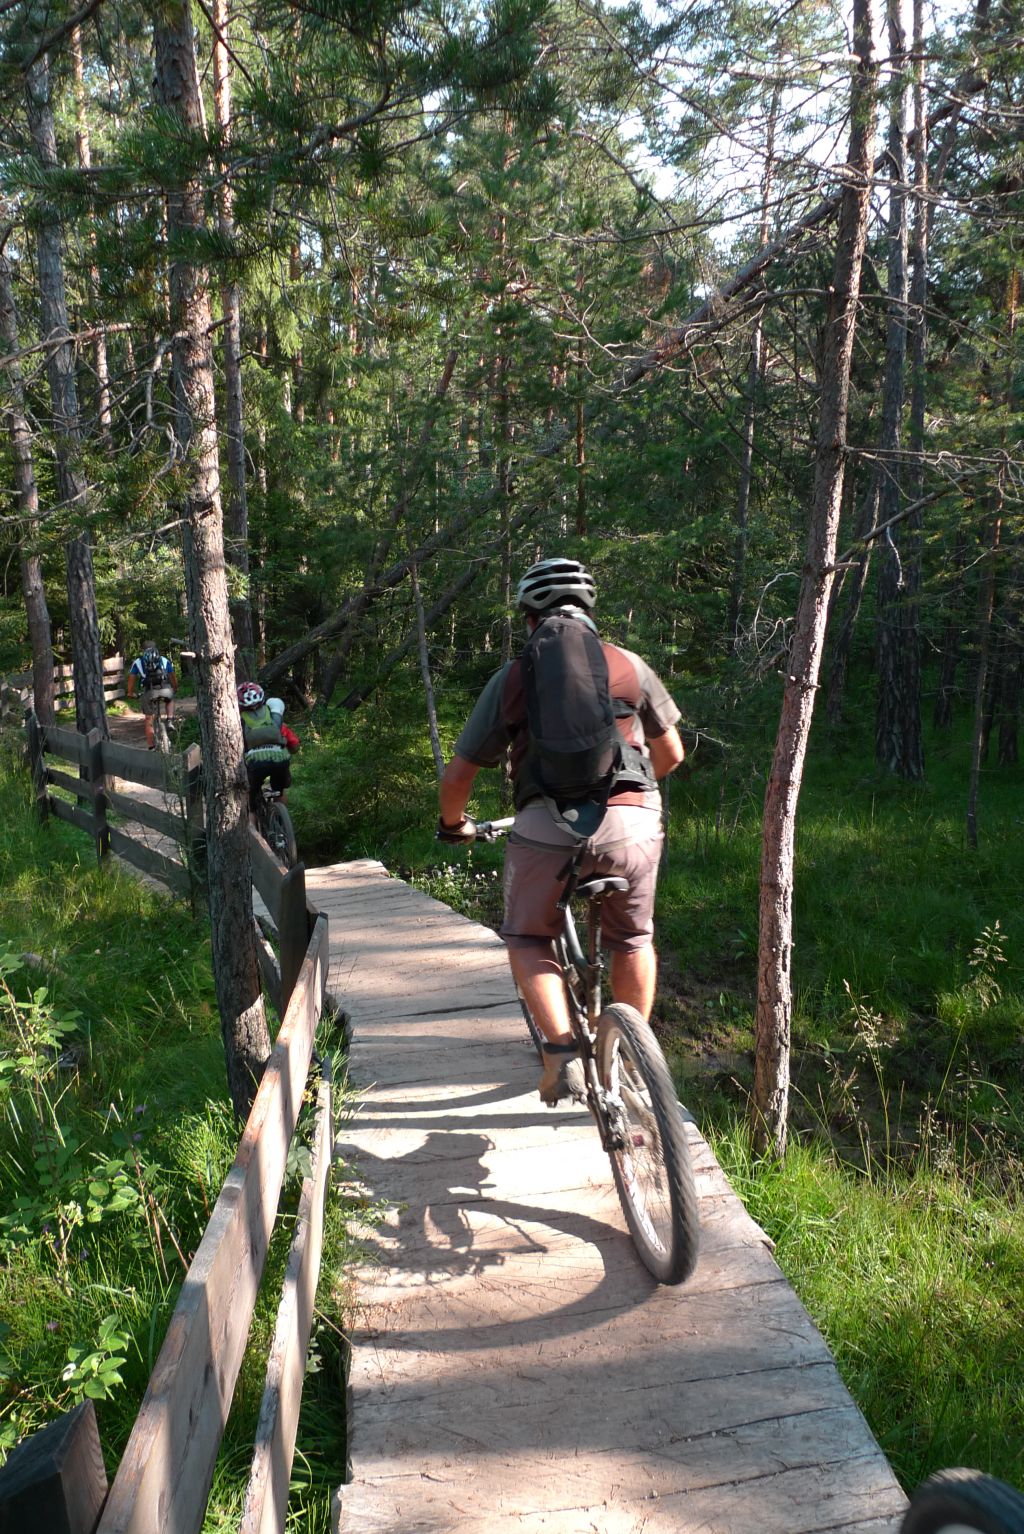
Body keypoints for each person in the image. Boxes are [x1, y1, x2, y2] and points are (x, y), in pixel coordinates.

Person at [437, 558, 684, 1106]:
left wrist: (453, 825)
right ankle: (629, 1060)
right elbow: (671, 754)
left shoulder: (513, 678)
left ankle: (562, 1054)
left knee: (528, 937)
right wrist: (628, 797)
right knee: (633, 939)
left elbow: (458, 777)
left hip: (546, 826)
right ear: (591, 612)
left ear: (529, 619)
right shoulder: (630, 665)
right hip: (632, 823)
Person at [237, 683, 299, 815]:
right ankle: (282, 821)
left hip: (256, 764)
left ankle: (252, 825)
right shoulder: (274, 719)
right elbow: (294, 745)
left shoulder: (239, 723)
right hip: (280, 760)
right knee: (279, 791)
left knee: (250, 798)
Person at [127, 641, 177, 749]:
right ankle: (169, 720)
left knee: (148, 720)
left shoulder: (138, 662)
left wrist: (130, 692)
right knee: (170, 699)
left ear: (142, 650)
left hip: (149, 692)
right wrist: (175, 688)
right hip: (165, 689)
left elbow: (131, 678)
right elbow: (172, 676)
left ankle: (151, 747)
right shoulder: (164, 659)